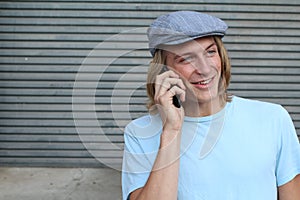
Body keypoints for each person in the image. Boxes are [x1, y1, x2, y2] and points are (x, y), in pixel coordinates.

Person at [122, 11, 300, 200]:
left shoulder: (273, 118)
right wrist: (172, 130)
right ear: (164, 70)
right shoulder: (139, 133)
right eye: (186, 58)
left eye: (210, 52)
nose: (205, 69)